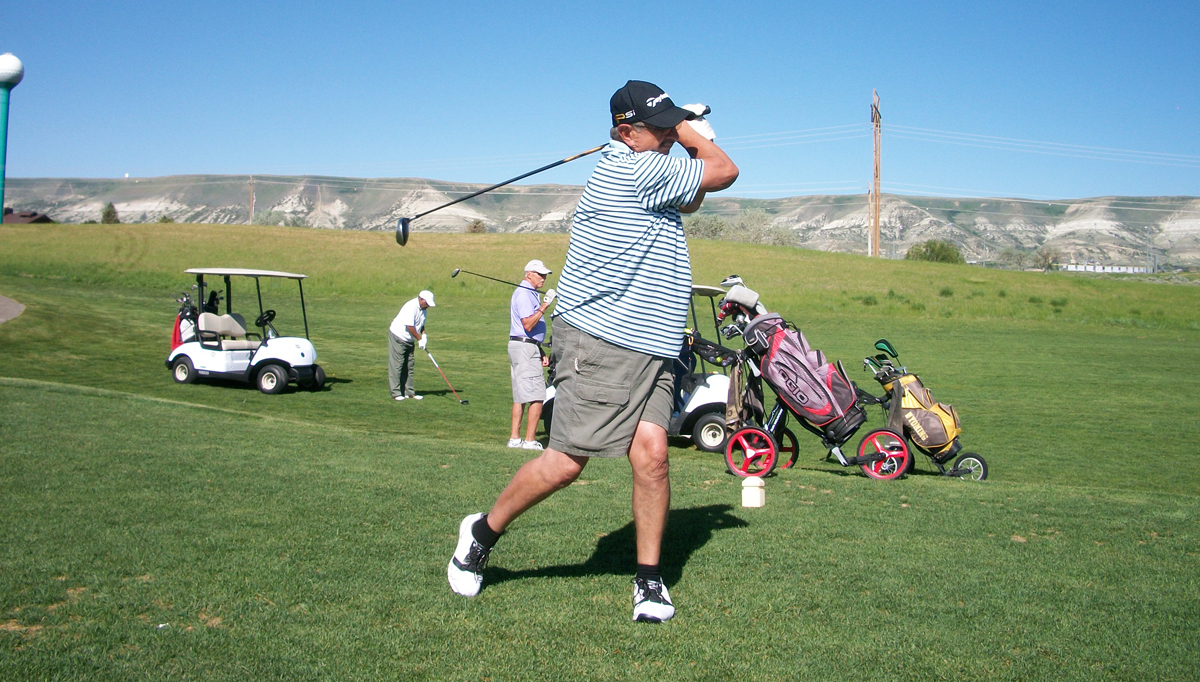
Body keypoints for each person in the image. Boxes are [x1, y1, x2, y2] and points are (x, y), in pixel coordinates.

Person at [448, 80, 738, 622]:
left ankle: (649, 582)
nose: (669, 135)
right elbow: (723, 173)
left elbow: (695, 197)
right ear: (625, 132)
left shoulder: (648, 164)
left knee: (652, 459)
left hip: (655, 343)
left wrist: (677, 133)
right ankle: (481, 532)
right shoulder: (632, 169)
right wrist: (690, 132)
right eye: (660, 128)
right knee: (565, 463)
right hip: (604, 339)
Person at [508, 259, 556, 450]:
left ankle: (514, 439)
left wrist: (540, 349)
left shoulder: (527, 293)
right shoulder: (525, 294)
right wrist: (545, 305)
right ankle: (529, 440)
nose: (544, 278)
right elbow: (527, 324)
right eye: (540, 274)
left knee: (520, 395)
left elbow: (526, 331)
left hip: (525, 345)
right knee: (537, 395)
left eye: (545, 275)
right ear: (529, 274)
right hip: (524, 348)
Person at [388, 290, 435, 401]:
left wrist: (424, 335)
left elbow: (421, 324)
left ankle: (409, 392)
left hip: (409, 339)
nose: (428, 306)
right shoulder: (410, 306)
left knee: (409, 365)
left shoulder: (423, 309)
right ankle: (396, 393)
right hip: (398, 336)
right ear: (420, 298)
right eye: (427, 303)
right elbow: (410, 326)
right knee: (397, 365)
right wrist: (419, 339)